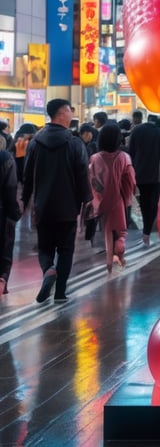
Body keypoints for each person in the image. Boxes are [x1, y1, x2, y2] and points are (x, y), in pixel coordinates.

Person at [22, 99, 92, 304]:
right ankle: (60, 292)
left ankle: (48, 270)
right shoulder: (74, 143)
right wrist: (86, 200)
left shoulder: (35, 142)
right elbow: (82, 176)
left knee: (45, 247)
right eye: (70, 110)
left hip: (43, 205)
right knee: (65, 249)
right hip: (67, 207)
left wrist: (25, 200)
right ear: (61, 113)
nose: (72, 113)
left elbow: (27, 176)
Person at [88, 120, 137, 274]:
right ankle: (118, 253)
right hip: (118, 201)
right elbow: (130, 181)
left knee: (107, 230)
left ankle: (110, 260)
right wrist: (127, 197)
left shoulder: (94, 158)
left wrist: (95, 198)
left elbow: (91, 180)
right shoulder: (124, 157)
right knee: (121, 231)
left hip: (100, 201)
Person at [128, 115, 160, 246]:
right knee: (153, 204)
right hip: (156, 176)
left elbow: (131, 152)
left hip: (139, 174)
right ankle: (147, 231)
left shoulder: (136, 131)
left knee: (144, 202)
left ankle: (146, 230)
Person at [0, 143, 21, 294]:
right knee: (4, 248)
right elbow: (10, 188)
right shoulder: (6, 158)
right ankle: (2, 280)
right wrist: (14, 213)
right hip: (2, 212)